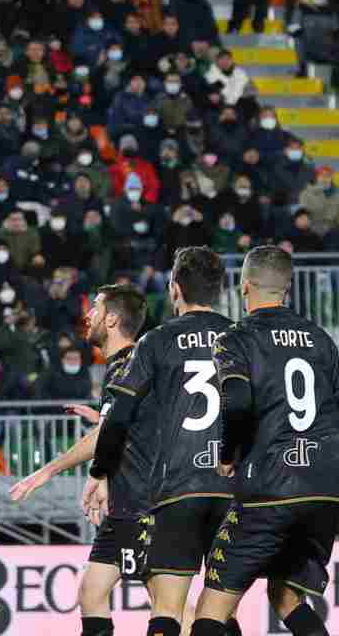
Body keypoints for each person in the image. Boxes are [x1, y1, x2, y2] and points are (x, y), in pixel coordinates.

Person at [186, 245, 339, 636]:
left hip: (271, 489)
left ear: (244, 287)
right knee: (287, 597)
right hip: (324, 489)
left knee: (213, 606)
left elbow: (237, 401)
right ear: (287, 289)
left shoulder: (235, 339)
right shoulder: (320, 339)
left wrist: (228, 453)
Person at [83, 248, 237, 636]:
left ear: (174, 290)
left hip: (178, 488)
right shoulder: (242, 339)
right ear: (220, 290)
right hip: (231, 488)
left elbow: (120, 415)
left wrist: (100, 470)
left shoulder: (156, 340)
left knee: (167, 608)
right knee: (216, 612)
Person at [8, 283, 141, 636]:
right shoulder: (123, 366)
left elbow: (112, 434)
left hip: (145, 500)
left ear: (112, 320)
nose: (87, 315)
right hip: (125, 497)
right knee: (92, 591)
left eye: (95, 308)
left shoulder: (130, 364)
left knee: (168, 603)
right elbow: (126, 428)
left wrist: (47, 471)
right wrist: (101, 428)